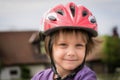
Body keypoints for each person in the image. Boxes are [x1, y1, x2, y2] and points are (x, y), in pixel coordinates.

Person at [32, 2, 98, 80]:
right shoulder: (40, 77)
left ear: (86, 48)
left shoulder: (86, 77)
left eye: (79, 45)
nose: (71, 53)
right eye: (63, 45)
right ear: (50, 47)